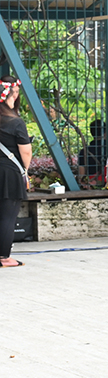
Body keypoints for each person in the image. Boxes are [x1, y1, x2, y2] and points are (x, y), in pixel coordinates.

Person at [0, 76, 31, 268]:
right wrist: (25, 170)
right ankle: (4, 257)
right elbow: (25, 151)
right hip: (9, 172)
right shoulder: (16, 122)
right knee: (8, 215)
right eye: (16, 94)